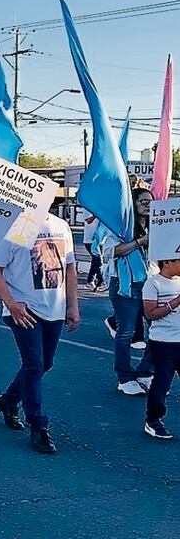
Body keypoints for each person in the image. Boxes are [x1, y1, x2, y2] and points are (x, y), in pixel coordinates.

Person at [0, 213, 80, 454]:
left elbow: (70, 267)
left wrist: (73, 304)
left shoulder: (61, 225)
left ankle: (9, 400)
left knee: (45, 363)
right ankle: (38, 425)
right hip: (24, 308)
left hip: (54, 307)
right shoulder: (14, 228)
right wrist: (11, 303)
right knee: (34, 365)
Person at [100, 188, 155, 396]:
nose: (148, 205)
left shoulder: (157, 226)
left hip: (152, 283)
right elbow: (109, 252)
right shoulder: (119, 227)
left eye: (151, 201)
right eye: (143, 201)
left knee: (158, 330)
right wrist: (140, 242)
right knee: (126, 332)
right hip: (125, 285)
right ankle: (124, 378)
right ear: (133, 203)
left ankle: (146, 372)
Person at [141, 258, 180, 439]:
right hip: (163, 342)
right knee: (162, 383)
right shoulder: (153, 283)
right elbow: (150, 314)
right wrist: (176, 301)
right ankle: (153, 420)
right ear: (168, 262)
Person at [82, 214, 106, 291]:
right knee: (98, 260)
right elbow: (88, 220)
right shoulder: (88, 209)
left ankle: (94, 282)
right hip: (90, 240)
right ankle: (100, 282)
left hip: (99, 241)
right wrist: (96, 214)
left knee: (96, 261)